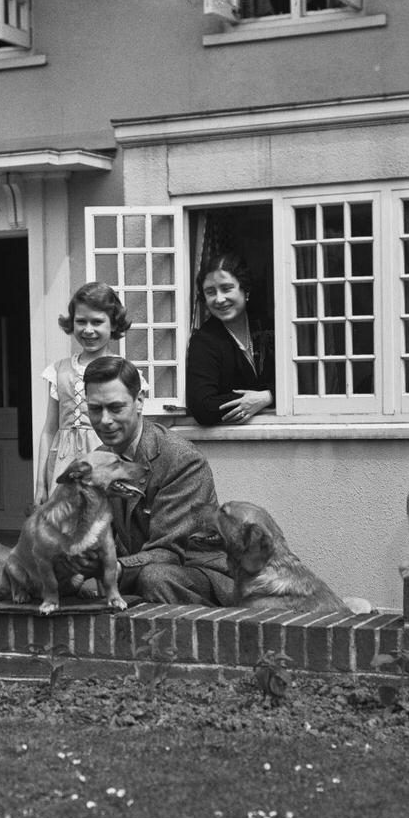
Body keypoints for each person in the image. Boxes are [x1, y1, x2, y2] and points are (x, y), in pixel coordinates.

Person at [83, 355, 233, 606]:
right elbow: (94, 535)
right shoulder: (100, 460)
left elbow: (169, 552)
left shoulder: (182, 460)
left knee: (155, 578)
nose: (104, 420)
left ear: (139, 402)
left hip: (196, 574)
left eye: (116, 407)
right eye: (95, 409)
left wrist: (114, 568)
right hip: (138, 567)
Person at [35, 282, 131, 503]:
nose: (88, 330)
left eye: (97, 322)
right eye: (81, 321)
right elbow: (49, 429)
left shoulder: (122, 370)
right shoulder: (59, 370)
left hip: (104, 459)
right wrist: (41, 483)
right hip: (62, 462)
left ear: (114, 324)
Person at [185, 252, 276, 426]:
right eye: (210, 292)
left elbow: (300, 384)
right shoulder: (205, 340)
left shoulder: (268, 326)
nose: (219, 299)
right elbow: (203, 406)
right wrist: (249, 401)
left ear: (245, 289)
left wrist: (267, 397)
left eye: (226, 288)